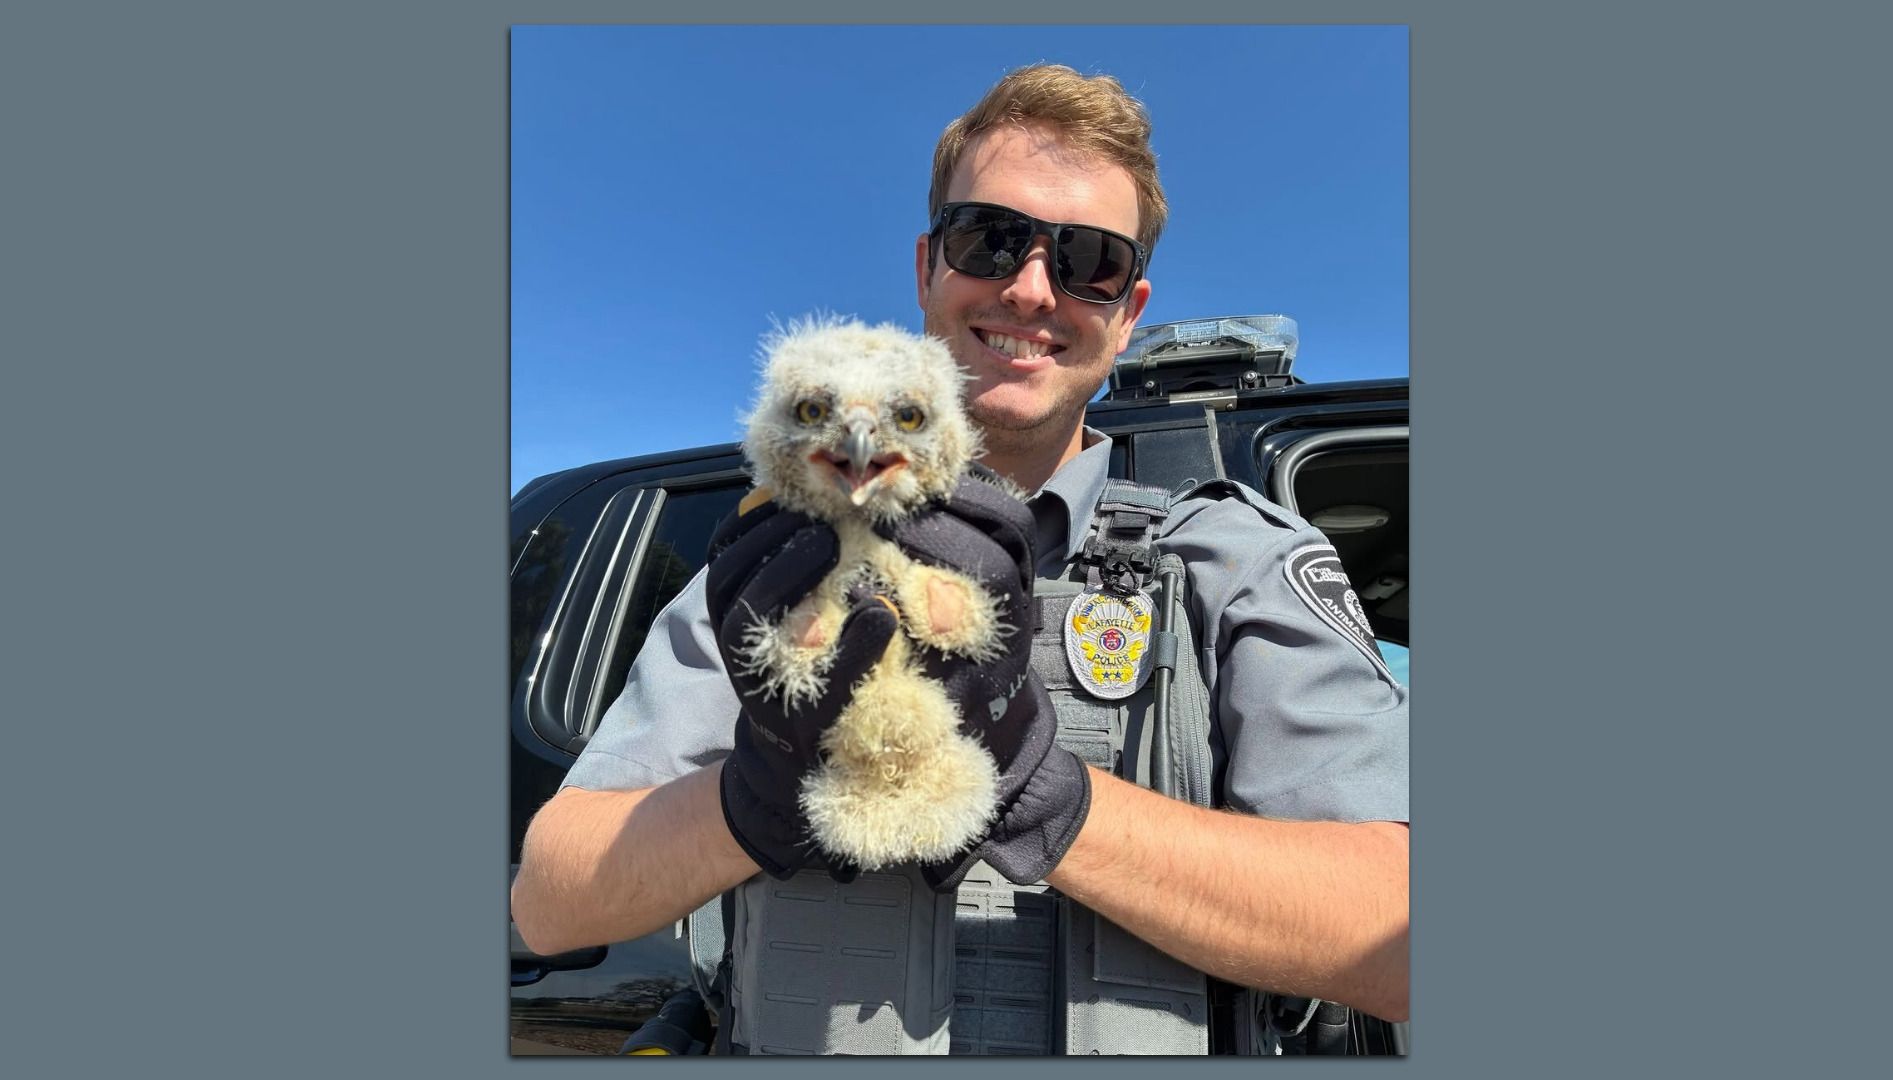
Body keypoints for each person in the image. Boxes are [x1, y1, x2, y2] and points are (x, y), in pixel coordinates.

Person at [511, 63, 1409, 1053]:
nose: (1032, 288)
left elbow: (1402, 940)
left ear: (1129, 311)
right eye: (992, 239)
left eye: (1088, 261)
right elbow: (550, 904)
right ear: (928, 266)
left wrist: (1041, 788)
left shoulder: (1236, 561)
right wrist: (754, 791)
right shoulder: (770, 567)